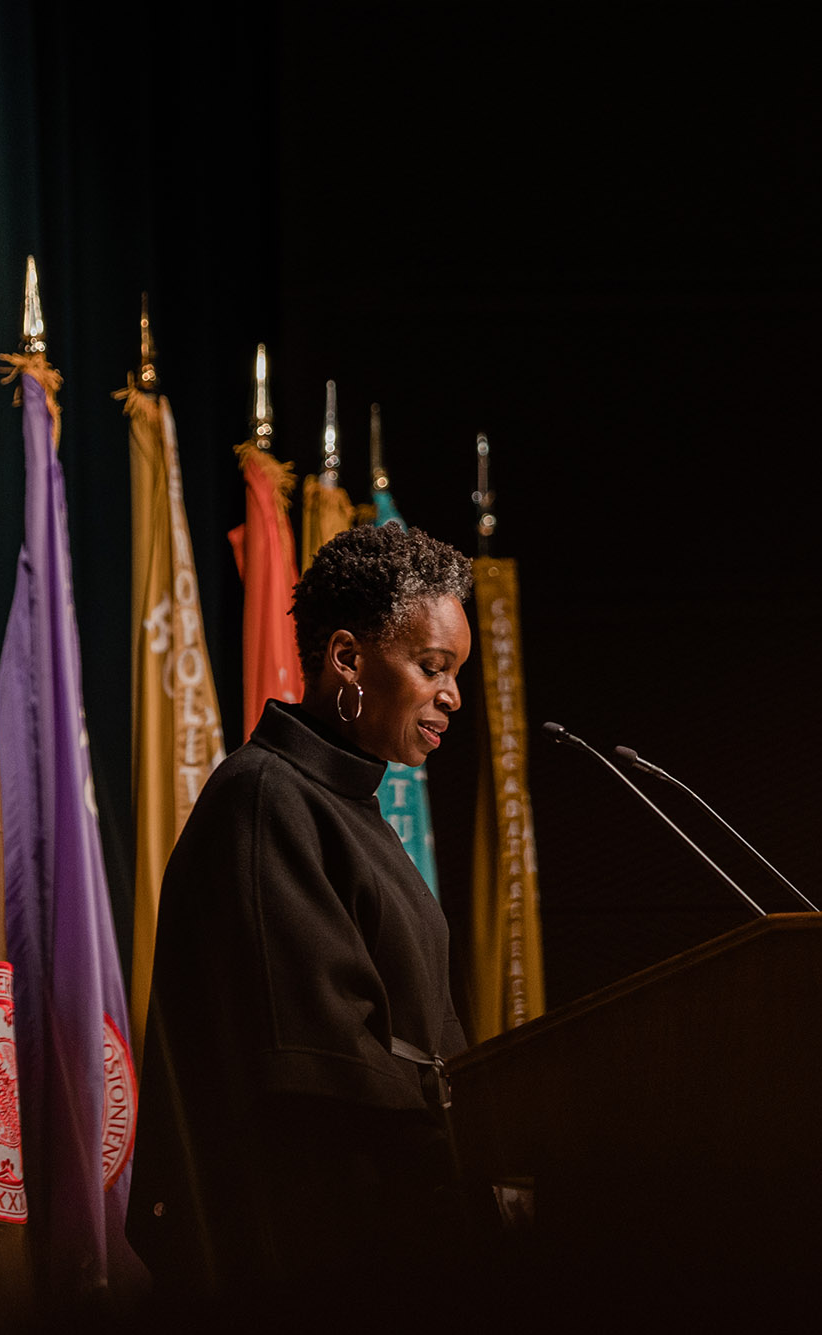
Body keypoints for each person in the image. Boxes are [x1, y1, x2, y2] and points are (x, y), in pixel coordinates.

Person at [126, 522, 476, 1315]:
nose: (453, 696)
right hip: (314, 1271)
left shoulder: (349, 810)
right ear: (348, 658)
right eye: (432, 667)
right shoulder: (265, 796)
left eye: (454, 673)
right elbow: (325, 1076)